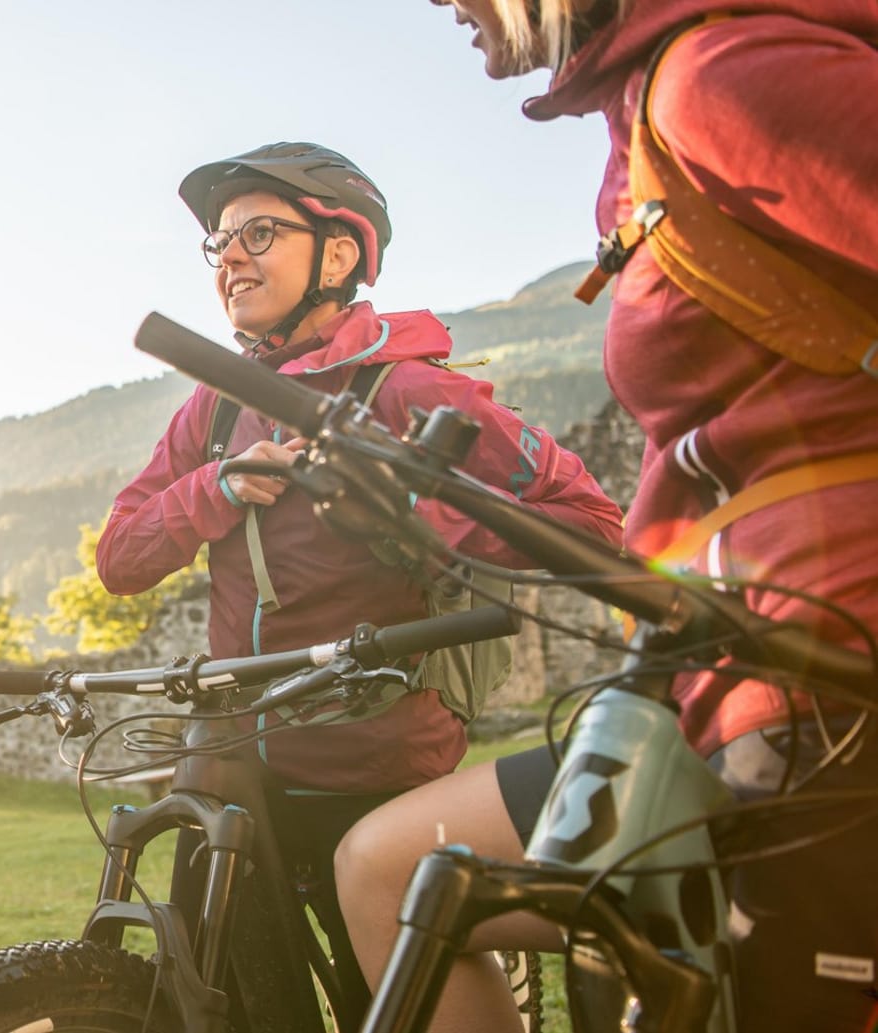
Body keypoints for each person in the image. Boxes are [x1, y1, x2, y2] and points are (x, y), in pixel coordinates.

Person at [338, 3, 878, 1030]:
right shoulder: (647, 111)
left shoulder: (722, 76)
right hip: (717, 660)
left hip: (822, 668)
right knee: (389, 869)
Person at [97, 142, 623, 793]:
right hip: (239, 746)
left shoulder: (410, 390)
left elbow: (596, 524)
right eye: (220, 242)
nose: (228, 257)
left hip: (378, 753)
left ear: (338, 254)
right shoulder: (216, 408)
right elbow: (119, 560)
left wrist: (407, 515)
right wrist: (218, 484)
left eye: (258, 234)